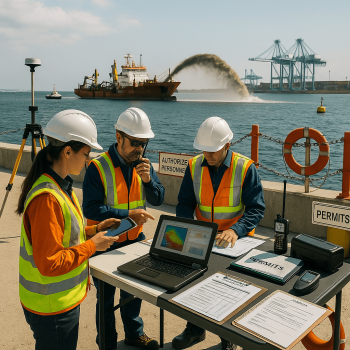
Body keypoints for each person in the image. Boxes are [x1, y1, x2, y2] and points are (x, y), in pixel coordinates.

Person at [17, 109, 122, 350]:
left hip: (55, 303)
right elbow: (50, 262)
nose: (88, 161)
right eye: (86, 154)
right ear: (67, 151)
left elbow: (65, 233)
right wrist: (92, 246)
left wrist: (94, 229)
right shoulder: (48, 198)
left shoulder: (61, 185)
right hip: (51, 308)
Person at [172, 116, 265, 350]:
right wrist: (188, 228)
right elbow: (184, 202)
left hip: (236, 241)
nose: (208, 155)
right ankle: (195, 329)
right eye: (205, 149)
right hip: (203, 238)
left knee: (231, 290)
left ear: (227, 145)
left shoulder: (246, 168)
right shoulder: (194, 166)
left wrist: (236, 230)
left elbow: (256, 208)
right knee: (194, 285)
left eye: (213, 150)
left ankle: (228, 338)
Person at [83, 107, 165, 350]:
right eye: (134, 142)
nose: (139, 148)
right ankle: (107, 343)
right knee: (106, 299)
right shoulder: (98, 168)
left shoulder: (144, 166)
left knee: (133, 294)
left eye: (144, 143)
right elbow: (91, 209)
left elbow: (159, 199)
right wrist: (127, 215)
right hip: (105, 243)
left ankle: (134, 333)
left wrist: (149, 181)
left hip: (135, 240)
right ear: (119, 137)